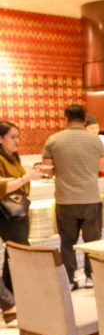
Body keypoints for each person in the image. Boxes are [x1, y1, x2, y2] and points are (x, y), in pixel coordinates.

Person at [42, 104, 104, 289]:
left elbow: (47, 169)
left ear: (66, 118)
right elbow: (100, 167)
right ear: (84, 119)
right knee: (92, 242)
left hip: (65, 199)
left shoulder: (53, 140)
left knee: (67, 242)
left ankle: (70, 280)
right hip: (90, 197)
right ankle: (91, 277)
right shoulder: (95, 140)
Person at [0, 122, 44, 322]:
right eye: (12, 137)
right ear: (1, 139)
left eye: (18, 136)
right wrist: (26, 178)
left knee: (15, 254)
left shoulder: (12, 157)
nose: (17, 141)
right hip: (6, 213)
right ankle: (10, 303)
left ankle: (12, 302)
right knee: (20, 253)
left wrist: (28, 174)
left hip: (16, 211)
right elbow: (3, 186)